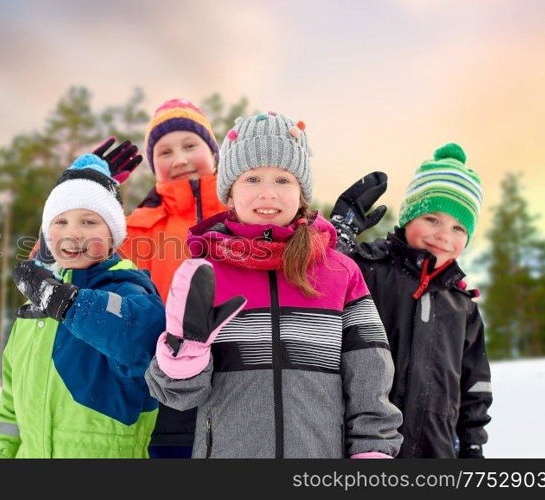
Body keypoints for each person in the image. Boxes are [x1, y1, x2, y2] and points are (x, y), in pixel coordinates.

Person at [145, 112, 403, 458]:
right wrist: (185, 353)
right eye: (252, 179)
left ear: (301, 195)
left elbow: (371, 374)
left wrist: (372, 451)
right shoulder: (204, 274)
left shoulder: (341, 273)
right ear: (230, 195)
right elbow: (178, 395)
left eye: (283, 180)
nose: (268, 193)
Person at [0, 154, 165, 458]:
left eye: (89, 222)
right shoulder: (33, 310)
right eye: (60, 221)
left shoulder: (129, 289)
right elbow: (10, 408)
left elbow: (139, 339)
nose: (73, 232)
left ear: (112, 234)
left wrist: (63, 301)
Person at [330, 143, 492, 458]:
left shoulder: (463, 307)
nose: (444, 235)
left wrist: (472, 447)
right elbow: (317, 284)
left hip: (436, 450)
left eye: (459, 227)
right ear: (407, 217)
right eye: (432, 219)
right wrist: (338, 236)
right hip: (364, 445)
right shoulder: (368, 269)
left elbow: (475, 389)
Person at [117, 98, 227, 458]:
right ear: (153, 165)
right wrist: (86, 192)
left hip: (243, 394)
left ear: (212, 151)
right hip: (165, 402)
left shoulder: (247, 214)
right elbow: (62, 261)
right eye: (164, 152)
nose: (179, 159)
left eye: (190, 145)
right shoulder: (135, 230)